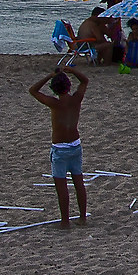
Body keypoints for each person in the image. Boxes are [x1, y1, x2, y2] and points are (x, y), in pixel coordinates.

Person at [28, 64, 91, 227]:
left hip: (60, 149)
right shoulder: (76, 99)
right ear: (69, 86)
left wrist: (50, 76)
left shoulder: (54, 103)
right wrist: (72, 70)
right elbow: (85, 81)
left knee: (61, 186)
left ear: (54, 89)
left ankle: (65, 221)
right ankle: (82, 217)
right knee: (78, 182)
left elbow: (33, 90)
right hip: (75, 146)